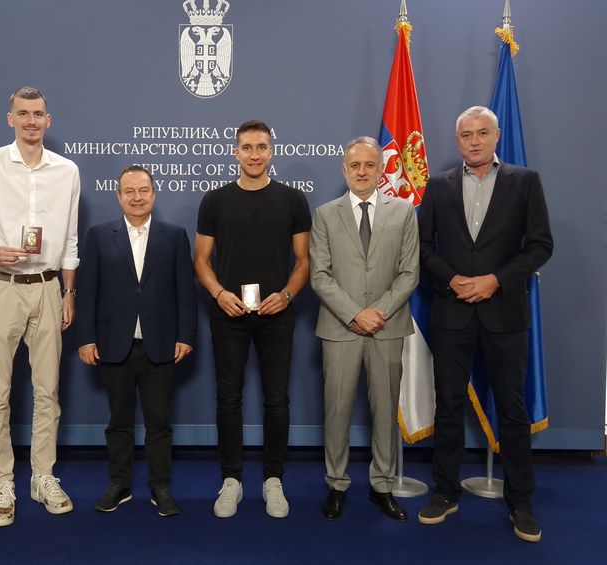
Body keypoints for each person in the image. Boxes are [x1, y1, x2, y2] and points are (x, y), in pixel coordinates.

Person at [417, 106, 553, 542]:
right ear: (457, 141)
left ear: (496, 136)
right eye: (466, 135)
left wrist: (496, 280)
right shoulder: (437, 185)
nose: (474, 141)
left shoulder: (525, 181)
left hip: (504, 313)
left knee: (512, 410)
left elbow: (540, 245)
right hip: (452, 312)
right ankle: (445, 493)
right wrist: (451, 278)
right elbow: (421, 247)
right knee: (448, 406)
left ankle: (521, 504)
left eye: (482, 133)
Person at [0, 86, 80, 527]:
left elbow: (70, 239)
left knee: (48, 390)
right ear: (10, 118)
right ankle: (2, 482)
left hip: (48, 288)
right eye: (23, 113)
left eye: (38, 114)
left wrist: (68, 292)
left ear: (49, 120)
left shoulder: (67, 170)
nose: (31, 121)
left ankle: (43, 476)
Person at [194, 120, 311, 519]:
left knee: (277, 399)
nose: (255, 154)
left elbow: (303, 261)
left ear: (271, 151)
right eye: (247, 147)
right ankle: (232, 479)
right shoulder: (215, 200)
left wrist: (288, 294)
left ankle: (273, 478)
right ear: (236, 152)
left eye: (261, 147)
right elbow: (201, 260)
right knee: (228, 398)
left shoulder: (293, 200)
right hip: (229, 314)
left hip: (277, 314)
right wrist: (219, 294)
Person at [74, 165, 197, 517]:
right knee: (119, 422)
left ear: (154, 194)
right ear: (118, 196)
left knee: (159, 423)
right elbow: (88, 291)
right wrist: (86, 338)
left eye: (143, 190)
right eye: (129, 191)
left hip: (161, 345)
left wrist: (185, 335)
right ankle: (120, 483)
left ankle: (161, 485)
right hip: (114, 345)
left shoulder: (174, 236)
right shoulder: (99, 235)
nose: (137, 197)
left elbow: (185, 292)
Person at [310, 137, 419, 522]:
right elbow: (320, 276)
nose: (361, 172)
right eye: (354, 165)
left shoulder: (403, 211)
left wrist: (378, 312)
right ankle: (336, 484)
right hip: (340, 328)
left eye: (369, 165)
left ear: (380, 169)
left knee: (385, 411)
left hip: (387, 327)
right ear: (344, 170)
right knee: (337, 410)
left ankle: (382, 486)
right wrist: (356, 314)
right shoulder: (325, 214)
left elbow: (409, 273)